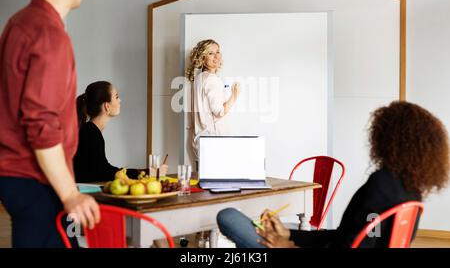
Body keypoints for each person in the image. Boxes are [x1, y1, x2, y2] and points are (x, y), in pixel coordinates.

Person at [217, 101, 450, 248]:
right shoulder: (411, 192)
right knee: (254, 227)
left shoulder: (381, 183)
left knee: (228, 216)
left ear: (387, 140)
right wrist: (289, 234)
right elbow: (346, 237)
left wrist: (288, 246)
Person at [0, 0, 100, 248]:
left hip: (16, 177)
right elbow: (41, 124)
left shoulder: (19, 22)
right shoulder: (50, 35)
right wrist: (70, 193)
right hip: (35, 178)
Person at [74, 81, 167, 182]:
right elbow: (104, 172)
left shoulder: (90, 131)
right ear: (107, 106)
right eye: (116, 97)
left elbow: (103, 170)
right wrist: (147, 173)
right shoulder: (90, 133)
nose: (120, 100)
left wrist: (146, 172)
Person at [185, 39, 241, 172]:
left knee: (203, 186)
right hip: (214, 144)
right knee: (218, 188)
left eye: (217, 52)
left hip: (201, 142)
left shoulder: (199, 78)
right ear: (202, 58)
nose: (216, 56)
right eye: (211, 53)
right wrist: (234, 95)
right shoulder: (212, 80)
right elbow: (219, 112)